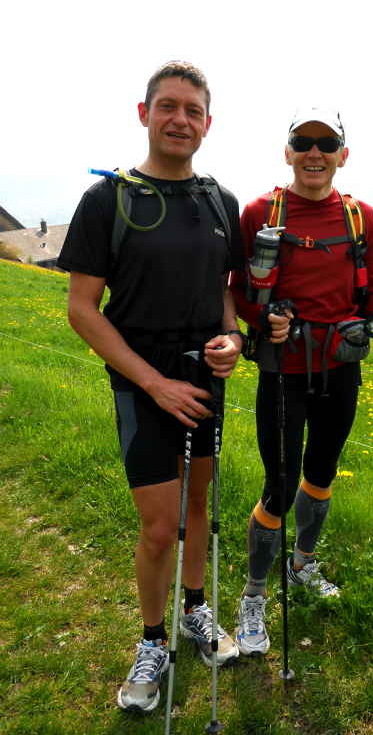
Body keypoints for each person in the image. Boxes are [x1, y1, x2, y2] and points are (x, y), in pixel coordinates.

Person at [57, 61, 245, 712]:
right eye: (168, 106)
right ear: (145, 113)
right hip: (143, 385)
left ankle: (195, 609)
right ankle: (152, 639)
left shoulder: (221, 202)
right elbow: (82, 309)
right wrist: (155, 384)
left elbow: (223, 290)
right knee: (161, 527)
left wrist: (233, 339)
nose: (180, 119)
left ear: (208, 124)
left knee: (198, 508)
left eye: (193, 111)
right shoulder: (107, 201)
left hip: (204, 380)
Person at [229, 106, 373, 655]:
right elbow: (239, 291)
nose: (315, 152)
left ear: (343, 155)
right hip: (282, 369)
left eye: (327, 143)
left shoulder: (361, 217)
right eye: (304, 142)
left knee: (322, 470)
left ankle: (302, 565)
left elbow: (372, 291)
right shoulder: (260, 212)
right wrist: (262, 317)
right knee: (279, 484)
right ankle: (254, 595)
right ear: (287, 153)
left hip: (341, 365)